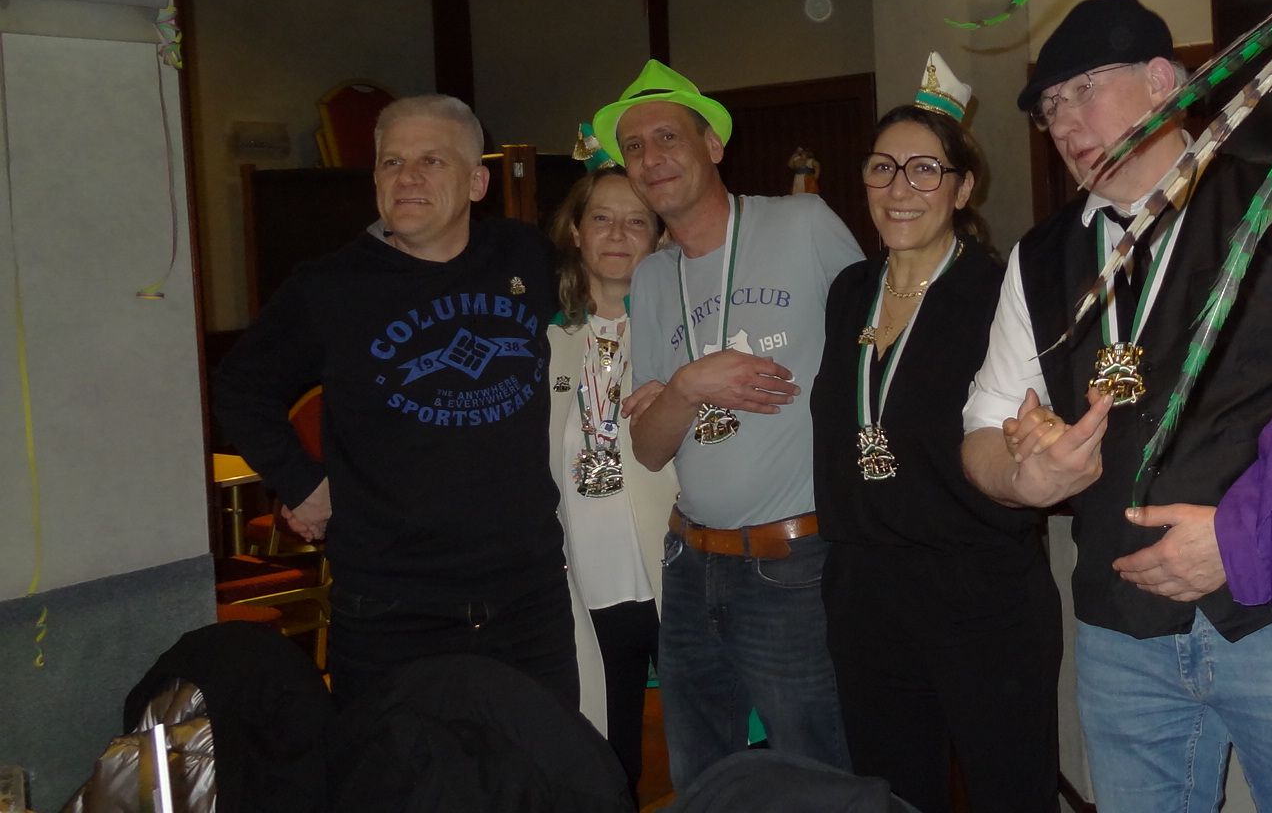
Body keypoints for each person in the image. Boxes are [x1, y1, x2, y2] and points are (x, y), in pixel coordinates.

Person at [960, 0, 1272, 813]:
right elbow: (983, 428)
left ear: (1163, 83)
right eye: (1049, 108)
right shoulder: (1039, 259)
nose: (1064, 122)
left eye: (1083, 90)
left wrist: (1244, 535)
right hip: (1121, 641)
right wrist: (1024, 478)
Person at [213, 94, 576, 708]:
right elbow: (240, 387)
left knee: (540, 762)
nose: (407, 177)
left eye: (432, 161)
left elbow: (604, 309)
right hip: (390, 607)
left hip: (527, 596)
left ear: (477, 182)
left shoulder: (524, 255)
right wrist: (301, 483)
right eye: (391, 162)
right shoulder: (329, 287)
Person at [596, 59, 863, 788]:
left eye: (667, 137)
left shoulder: (802, 224)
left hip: (795, 562)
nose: (651, 158)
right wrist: (690, 385)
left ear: (713, 145)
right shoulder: (653, 277)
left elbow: (877, 349)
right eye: (634, 147)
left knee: (817, 776)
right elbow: (650, 448)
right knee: (703, 779)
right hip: (690, 565)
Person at [813, 55, 1061, 813]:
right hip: (865, 594)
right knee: (892, 798)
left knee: (1009, 795)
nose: (900, 189)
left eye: (925, 170)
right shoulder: (849, 292)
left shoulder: (999, 293)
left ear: (963, 188)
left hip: (978, 592)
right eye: (882, 168)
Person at [545, 161, 680, 797]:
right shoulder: (541, 341)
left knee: (713, 749)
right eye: (602, 218)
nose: (618, 234)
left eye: (637, 221)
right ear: (576, 231)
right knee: (606, 761)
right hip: (584, 583)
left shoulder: (682, 333)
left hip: (676, 579)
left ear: (660, 235)